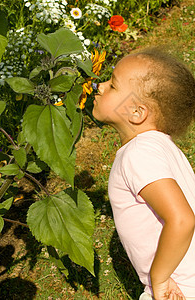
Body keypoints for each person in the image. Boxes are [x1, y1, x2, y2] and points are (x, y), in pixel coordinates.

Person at [92, 48, 195, 300]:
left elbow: (182, 220)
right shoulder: (160, 146)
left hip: (177, 287)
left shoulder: (138, 154)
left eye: (113, 85)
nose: (100, 86)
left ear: (136, 112)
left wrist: (159, 278)